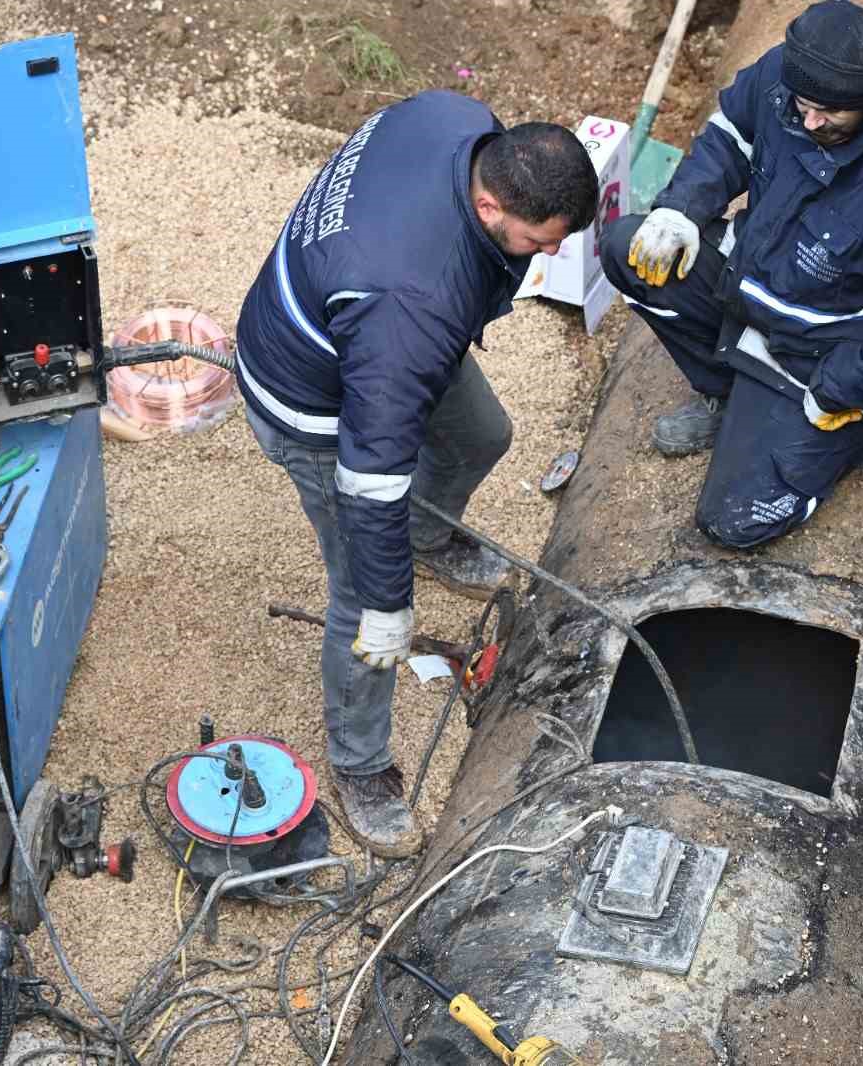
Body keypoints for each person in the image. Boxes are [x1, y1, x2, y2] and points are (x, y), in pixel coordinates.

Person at [235, 91, 598, 856]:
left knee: (482, 434)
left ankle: (431, 539)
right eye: (538, 241)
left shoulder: (452, 117)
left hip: (372, 341)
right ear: (491, 202)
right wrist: (389, 603)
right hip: (313, 396)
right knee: (362, 601)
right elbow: (370, 475)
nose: (550, 255)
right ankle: (360, 765)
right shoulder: (411, 302)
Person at [601, 0, 863, 548]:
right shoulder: (796, 73)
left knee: (734, 522)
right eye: (802, 106)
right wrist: (681, 208)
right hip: (755, 288)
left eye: (827, 115)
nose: (807, 121)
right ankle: (728, 392)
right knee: (629, 247)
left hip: (822, 356)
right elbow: (731, 133)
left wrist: (838, 390)